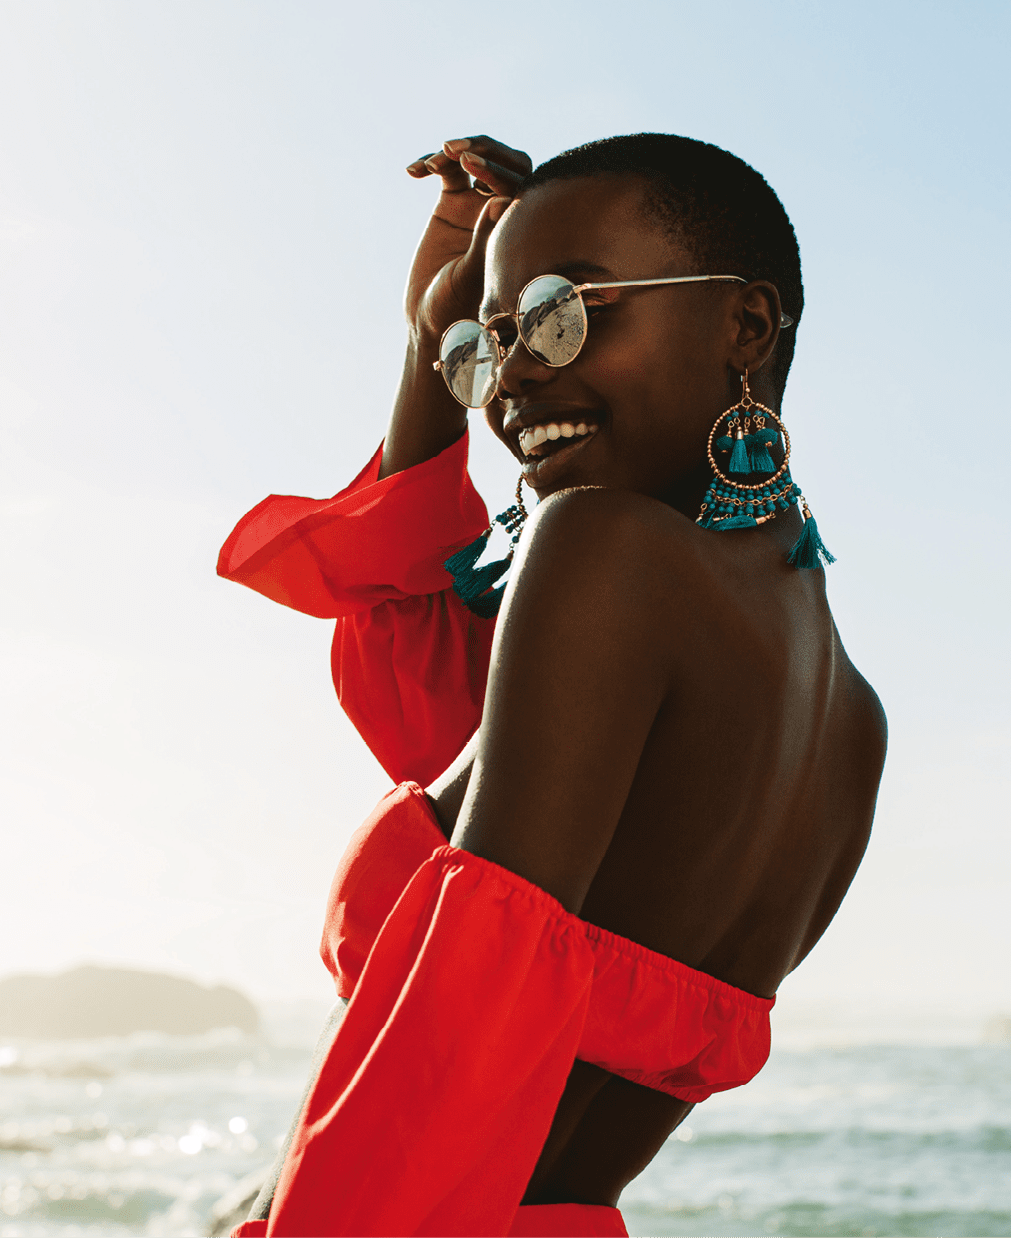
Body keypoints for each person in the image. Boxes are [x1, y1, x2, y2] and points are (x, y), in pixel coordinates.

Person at [216, 133, 886, 1238]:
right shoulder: (848, 723)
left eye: (567, 314)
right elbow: (424, 696)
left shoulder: (605, 553)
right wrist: (428, 344)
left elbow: (454, 1033)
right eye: (492, 339)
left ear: (745, 326)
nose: (514, 372)